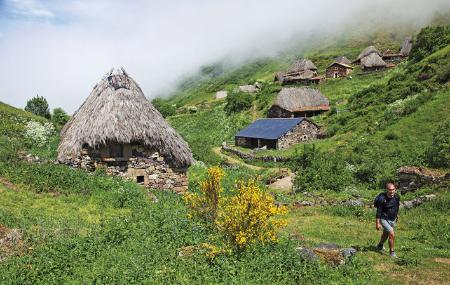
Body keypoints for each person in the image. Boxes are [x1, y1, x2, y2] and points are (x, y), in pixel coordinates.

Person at [375, 182, 400, 258]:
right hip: (384, 218)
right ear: (386, 190)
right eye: (390, 190)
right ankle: (392, 252)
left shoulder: (397, 196)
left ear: (395, 189)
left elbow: (396, 206)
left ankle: (380, 245)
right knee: (391, 234)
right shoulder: (382, 199)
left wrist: (397, 214)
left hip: (392, 218)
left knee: (386, 234)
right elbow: (378, 211)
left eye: (393, 189)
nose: (391, 191)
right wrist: (377, 223)